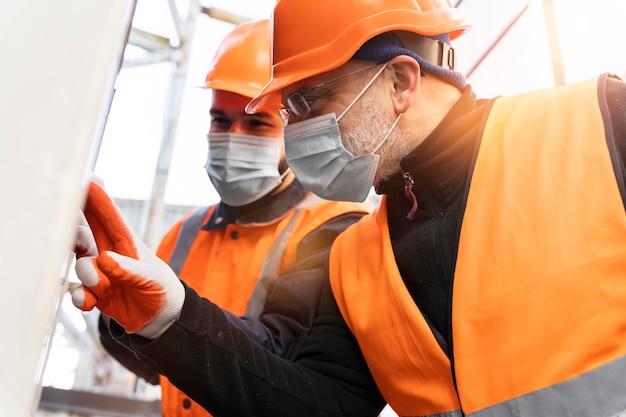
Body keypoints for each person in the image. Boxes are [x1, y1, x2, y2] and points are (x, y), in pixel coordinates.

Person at [71, 1, 626, 417]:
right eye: (288, 111)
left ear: (401, 80)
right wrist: (171, 317)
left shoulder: (598, 124)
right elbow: (317, 406)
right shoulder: (355, 258)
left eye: (309, 102)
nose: (296, 132)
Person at [90, 19, 374, 417]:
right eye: (220, 121)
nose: (233, 135)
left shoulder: (336, 228)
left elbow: (282, 355)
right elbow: (161, 367)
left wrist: (167, 317)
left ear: (293, 127)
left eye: (256, 123)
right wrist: (116, 315)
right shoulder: (186, 231)